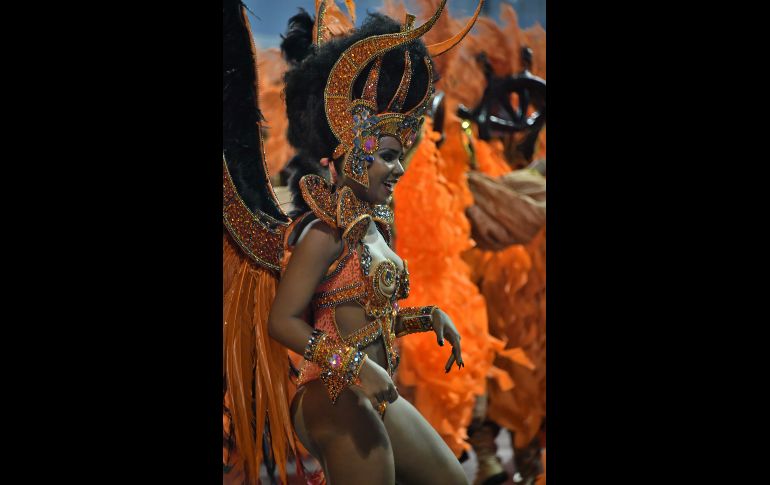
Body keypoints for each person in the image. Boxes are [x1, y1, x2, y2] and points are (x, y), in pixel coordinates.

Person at [223, 0, 484, 483]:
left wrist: (428, 318)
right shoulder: (322, 234)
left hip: (373, 389)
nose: (400, 169)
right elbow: (282, 321)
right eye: (387, 156)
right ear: (351, 157)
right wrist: (357, 366)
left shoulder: (377, 225)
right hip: (331, 392)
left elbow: (366, 314)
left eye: (400, 155)